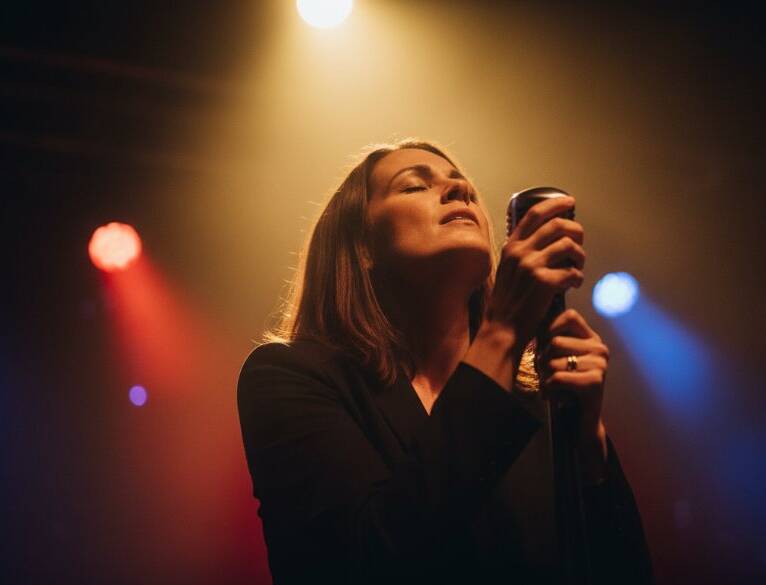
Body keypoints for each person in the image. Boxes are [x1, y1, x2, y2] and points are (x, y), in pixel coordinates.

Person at [237, 139, 653, 584]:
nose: (459, 190)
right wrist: (503, 333)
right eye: (415, 185)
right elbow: (364, 559)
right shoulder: (290, 377)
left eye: (465, 187)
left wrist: (589, 445)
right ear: (362, 246)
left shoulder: (535, 408)